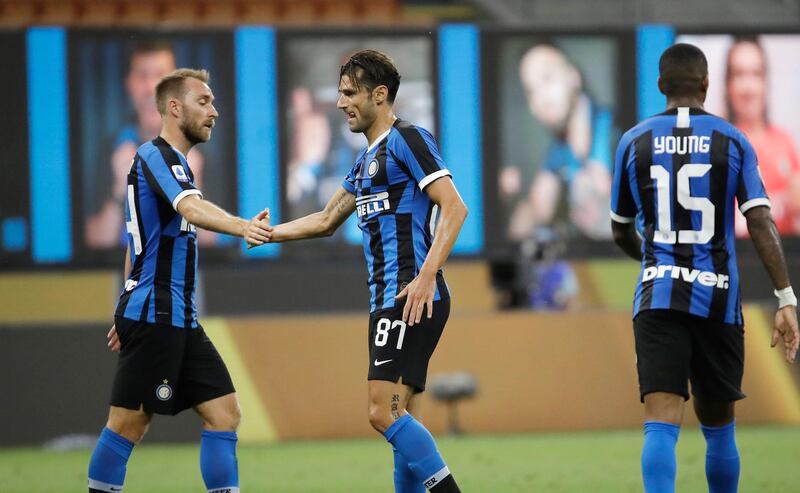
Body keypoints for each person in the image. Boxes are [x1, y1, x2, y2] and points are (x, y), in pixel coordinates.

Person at [260, 50, 466, 493]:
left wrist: (428, 275)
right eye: (338, 93)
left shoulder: (408, 140)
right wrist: (268, 233)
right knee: (397, 416)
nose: (340, 103)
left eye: (349, 93)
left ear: (380, 94)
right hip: (388, 300)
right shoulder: (364, 161)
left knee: (381, 412)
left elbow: (455, 206)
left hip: (409, 296)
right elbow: (325, 219)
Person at [610, 43, 799, 493]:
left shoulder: (633, 141)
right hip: (718, 300)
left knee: (660, 420)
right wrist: (785, 297)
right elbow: (760, 220)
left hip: (657, 298)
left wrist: (657, 263)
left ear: (661, 86)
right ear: (707, 84)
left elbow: (620, 230)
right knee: (719, 426)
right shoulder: (733, 140)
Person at [87, 68, 272, 493]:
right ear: (174, 108)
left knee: (224, 413)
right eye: (203, 102)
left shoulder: (172, 163)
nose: (215, 112)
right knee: (127, 424)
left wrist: (125, 301)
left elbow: (134, 247)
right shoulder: (158, 155)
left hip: (174, 316)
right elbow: (191, 209)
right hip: (157, 315)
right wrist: (244, 227)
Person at [85, 41, 215, 248]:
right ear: (129, 83)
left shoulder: (202, 152)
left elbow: (216, 248)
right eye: (142, 76)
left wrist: (193, 189)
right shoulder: (109, 150)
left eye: (161, 76)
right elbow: (95, 243)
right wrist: (120, 190)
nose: (151, 88)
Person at [503, 43, 615, 241]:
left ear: (574, 77)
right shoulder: (560, 146)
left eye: (547, 78)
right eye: (531, 91)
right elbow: (536, 210)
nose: (541, 99)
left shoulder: (615, 127)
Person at [724, 37, 800, 236]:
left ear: (765, 81)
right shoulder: (718, 145)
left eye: (755, 74)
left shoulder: (784, 142)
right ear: (727, 84)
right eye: (738, 74)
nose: (748, 88)